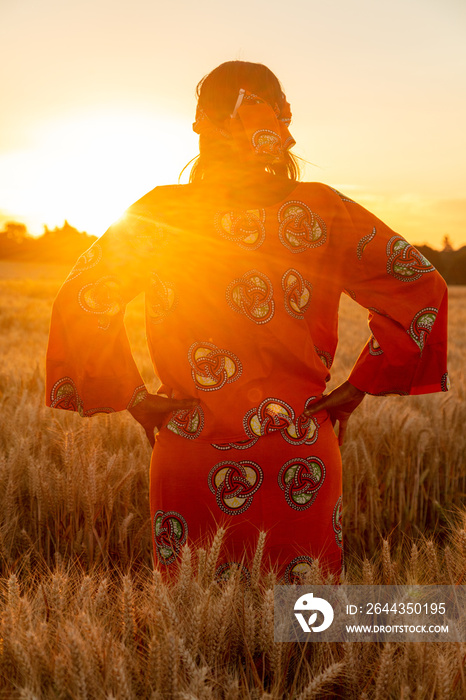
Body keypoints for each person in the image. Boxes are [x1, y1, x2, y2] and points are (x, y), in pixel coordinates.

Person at [46, 61, 448, 583]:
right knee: (303, 635)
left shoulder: (162, 213)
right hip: (300, 450)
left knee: (193, 632)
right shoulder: (323, 209)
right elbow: (422, 287)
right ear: (280, 122)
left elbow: (82, 298)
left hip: (190, 447)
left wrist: (134, 396)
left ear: (201, 123)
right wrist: (360, 385)